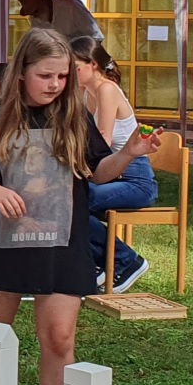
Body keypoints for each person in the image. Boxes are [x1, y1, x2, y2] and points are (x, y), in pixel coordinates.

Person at [0, 29, 161, 385]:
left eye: (63, 76)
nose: (55, 84)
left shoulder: (75, 118)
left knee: (59, 337)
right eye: (46, 75)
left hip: (62, 244)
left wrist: (131, 153)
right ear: (22, 72)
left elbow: (99, 173)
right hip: (6, 242)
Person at [71, 36, 155, 293]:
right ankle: (102, 262)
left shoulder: (107, 90)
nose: (69, 74)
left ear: (93, 65)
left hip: (134, 179)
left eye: (75, 68)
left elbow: (101, 142)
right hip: (109, 174)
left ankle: (126, 261)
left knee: (76, 200)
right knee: (66, 200)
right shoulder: (86, 92)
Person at [17, 0, 101, 46]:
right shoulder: (35, 18)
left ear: (44, 0)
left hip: (83, 59)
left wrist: (80, 55)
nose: (34, 16)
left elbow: (96, 36)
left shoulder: (71, 6)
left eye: (35, 10)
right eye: (31, 13)